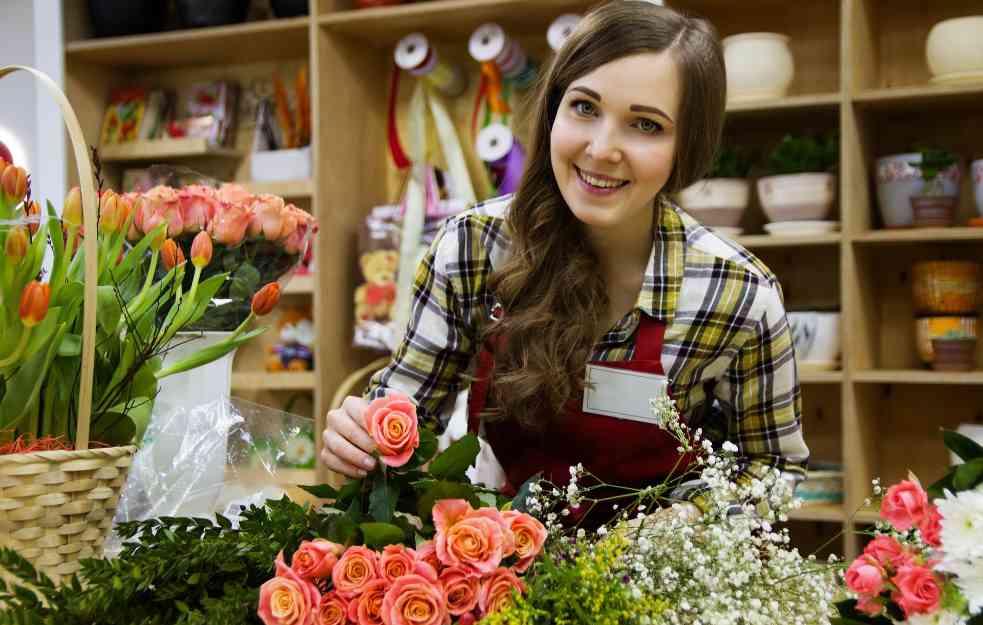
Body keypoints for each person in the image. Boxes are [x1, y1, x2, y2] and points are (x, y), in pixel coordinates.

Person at [322, 0, 809, 515]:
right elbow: (405, 416)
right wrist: (363, 438)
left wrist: (684, 524)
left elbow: (772, 469)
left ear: (687, 144)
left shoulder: (736, 294)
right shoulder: (473, 247)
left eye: (645, 125)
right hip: (501, 559)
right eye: (584, 107)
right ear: (552, 109)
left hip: (661, 578)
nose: (601, 149)